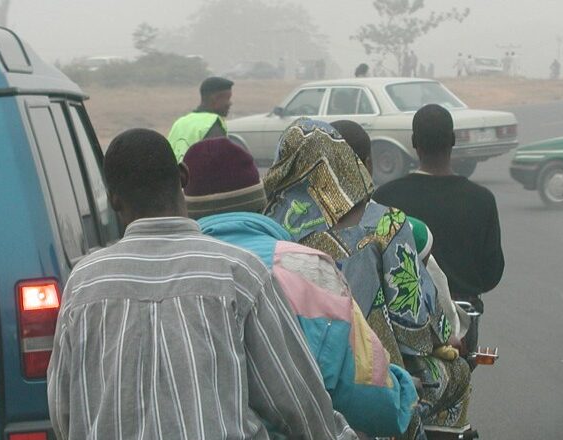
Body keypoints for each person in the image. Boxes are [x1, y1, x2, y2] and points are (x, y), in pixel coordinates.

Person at [46, 128, 356, 440]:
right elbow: (297, 402)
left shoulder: (83, 285)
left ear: (113, 199)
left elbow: (63, 411)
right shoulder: (238, 274)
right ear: (183, 177)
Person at [181, 137, 418, 437]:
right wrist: (402, 396)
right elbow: (362, 391)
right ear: (259, 200)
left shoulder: (164, 274)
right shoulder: (305, 267)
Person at [264, 119, 469, 439]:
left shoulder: (266, 228)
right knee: (455, 374)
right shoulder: (385, 224)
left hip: (283, 385)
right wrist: (444, 339)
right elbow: (413, 325)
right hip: (366, 384)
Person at [371, 104, 504, 363]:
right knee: (457, 386)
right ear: (453, 141)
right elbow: (492, 274)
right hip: (463, 321)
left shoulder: (386, 198)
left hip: (401, 322)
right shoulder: (482, 200)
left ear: (413, 142)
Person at [167, 77, 233, 162]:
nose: (230, 103)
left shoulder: (180, 123)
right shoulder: (212, 123)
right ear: (215, 99)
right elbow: (219, 162)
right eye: (228, 99)